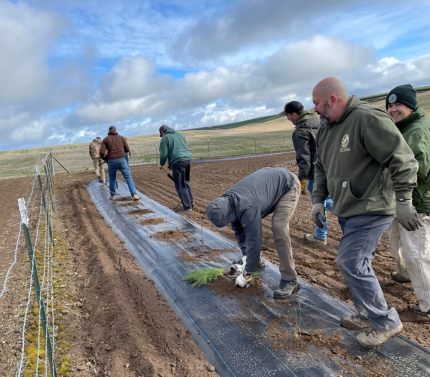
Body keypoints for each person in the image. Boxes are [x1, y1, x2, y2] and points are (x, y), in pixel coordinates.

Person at [311, 77, 421, 347]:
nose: (314, 109)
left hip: (372, 207)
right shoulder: (326, 128)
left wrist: (404, 200)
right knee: (360, 263)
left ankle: (386, 321)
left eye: (317, 103)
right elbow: (321, 168)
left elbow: (402, 159)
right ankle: (366, 312)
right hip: (347, 208)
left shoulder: (366, 118)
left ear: (333, 99)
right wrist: (317, 200)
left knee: (351, 261)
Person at [206, 167, 300, 299]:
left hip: (288, 185)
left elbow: (254, 240)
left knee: (279, 227)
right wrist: (246, 256)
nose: (229, 223)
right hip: (268, 186)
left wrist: (247, 274)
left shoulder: (247, 207)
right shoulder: (227, 202)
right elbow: (238, 230)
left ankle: (290, 279)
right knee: (247, 241)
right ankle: (257, 261)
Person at [385, 84, 430, 315]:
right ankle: (404, 273)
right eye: (390, 105)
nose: (393, 109)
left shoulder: (416, 131)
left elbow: (417, 170)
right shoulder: (405, 127)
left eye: (398, 105)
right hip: (402, 198)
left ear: (411, 106)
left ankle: (428, 306)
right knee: (397, 240)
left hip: (416, 202)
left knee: (418, 255)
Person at [280, 101, 333, 245]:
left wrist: (302, 179)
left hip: (315, 174)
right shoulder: (320, 122)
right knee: (328, 200)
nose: (288, 119)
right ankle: (351, 221)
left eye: (288, 116)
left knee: (322, 202)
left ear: (294, 114)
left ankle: (321, 236)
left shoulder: (300, 131)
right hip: (331, 169)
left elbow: (304, 158)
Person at [158, 125, 194, 212]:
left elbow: (164, 154)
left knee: (180, 184)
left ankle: (187, 206)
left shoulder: (165, 138)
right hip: (188, 159)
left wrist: (161, 164)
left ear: (162, 132)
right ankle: (191, 202)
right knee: (186, 181)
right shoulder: (180, 135)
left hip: (178, 162)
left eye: (161, 134)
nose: (161, 136)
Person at [100, 126, 139, 201]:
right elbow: (127, 149)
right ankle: (134, 194)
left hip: (111, 161)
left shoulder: (106, 139)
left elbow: (102, 152)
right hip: (122, 160)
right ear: (116, 130)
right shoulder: (121, 138)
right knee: (128, 177)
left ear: (109, 131)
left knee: (112, 177)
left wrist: (105, 156)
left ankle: (113, 195)